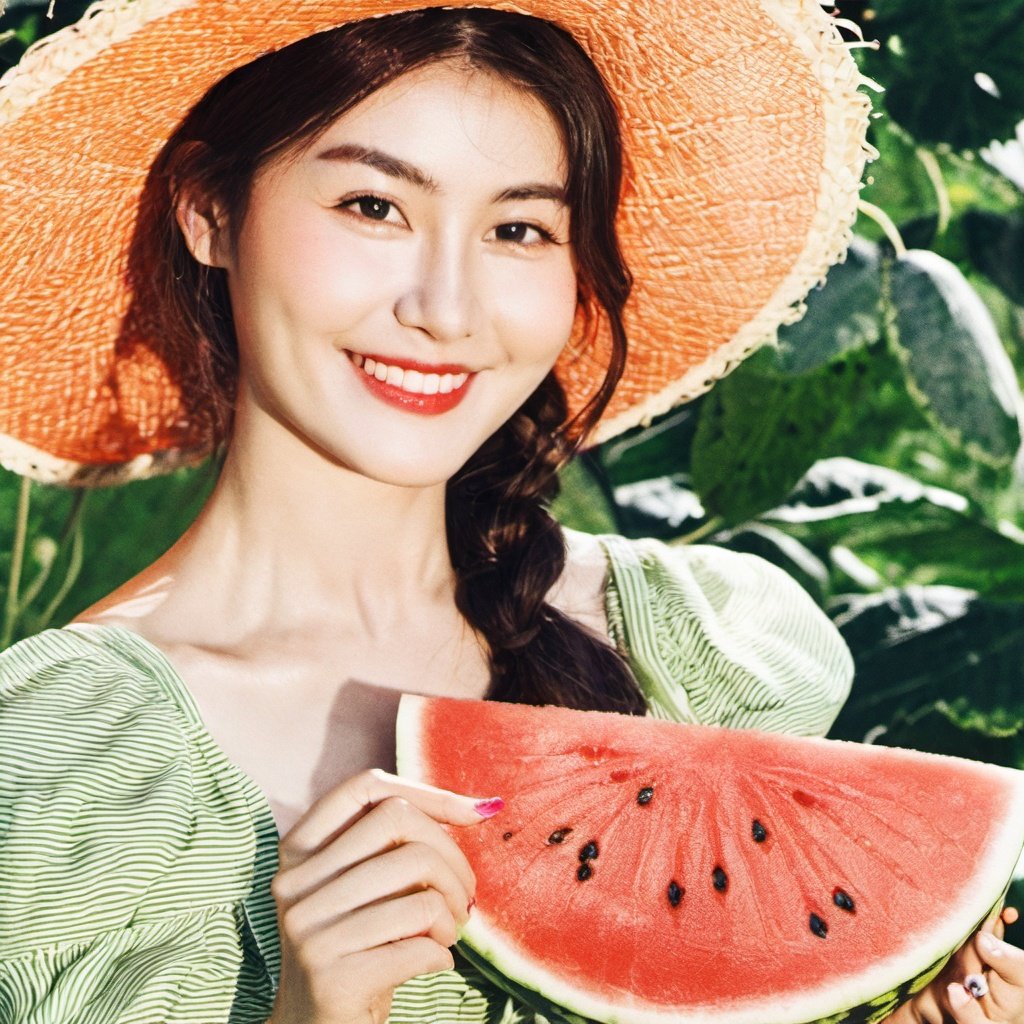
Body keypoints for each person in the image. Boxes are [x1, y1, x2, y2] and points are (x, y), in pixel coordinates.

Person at [0, 2, 1020, 1023]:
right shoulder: (56, 765)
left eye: (519, 229)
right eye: (372, 206)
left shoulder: (687, 645)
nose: (446, 307)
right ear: (209, 212)